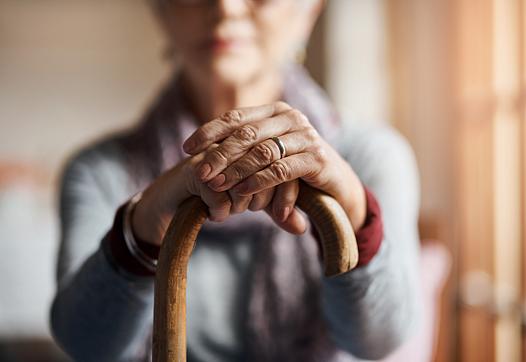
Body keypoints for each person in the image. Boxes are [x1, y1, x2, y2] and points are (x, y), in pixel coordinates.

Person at [50, 0, 422, 361]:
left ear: (308, 12)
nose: (225, 7)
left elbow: (379, 342)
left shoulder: (372, 157)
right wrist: (140, 228)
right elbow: (86, 346)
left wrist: (352, 215)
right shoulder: (99, 170)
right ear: (161, 9)